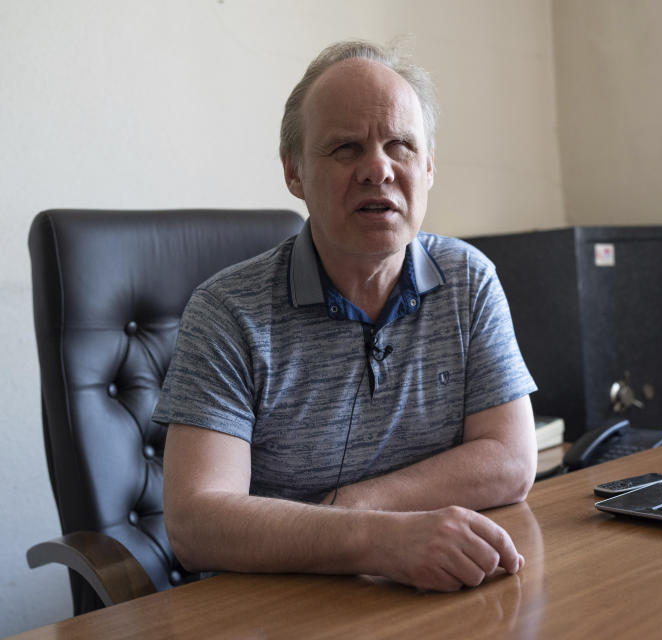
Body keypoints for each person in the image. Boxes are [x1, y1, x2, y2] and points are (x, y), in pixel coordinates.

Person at [153, 40, 538, 593]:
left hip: (433, 593)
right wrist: (377, 539)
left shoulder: (468, 279)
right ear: (295, 173)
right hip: (275, 609)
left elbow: (510, 460)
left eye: (400, 145)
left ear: (427, 168)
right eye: (345, 148)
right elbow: (196, 522)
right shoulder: (226, 312)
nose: (377, 169)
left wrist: (356, 506)